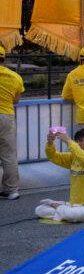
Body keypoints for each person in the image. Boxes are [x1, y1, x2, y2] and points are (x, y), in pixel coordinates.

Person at [37, 128, 84, 222]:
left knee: (74, 214)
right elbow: (53, 157)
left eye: (81, 140)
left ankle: (59, 207)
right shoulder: (74, 157)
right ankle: (64, 210)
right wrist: (50, 143)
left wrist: (69, 141)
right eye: (77, 141)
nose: (78, 143)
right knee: (40, 210)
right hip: (75, 204)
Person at [0, 45, 24, 199]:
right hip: (6, 116)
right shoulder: (14, 76)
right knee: (8, 155)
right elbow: (16, 99)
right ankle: (12, 190)